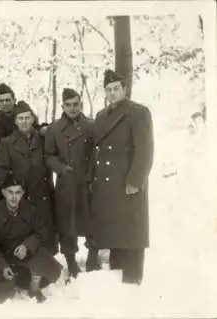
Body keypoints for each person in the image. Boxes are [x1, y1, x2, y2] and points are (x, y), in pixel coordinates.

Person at [88, 69, 154, 284]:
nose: (112, 93)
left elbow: (144, 150)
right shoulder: (101, 116)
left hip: (127, 182)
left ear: (125, 89)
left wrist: (135, 180)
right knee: (115, 231)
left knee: (132, 232)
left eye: (116, 88)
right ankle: (118, 280)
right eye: (108, 90)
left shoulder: (138, 113)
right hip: (107, 185)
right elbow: (96, 149)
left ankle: (133, 280)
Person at [44, 88, 99, 279]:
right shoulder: (54, 129)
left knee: (92, 219)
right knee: (68, 224)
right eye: (68, 105)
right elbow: (48, 156)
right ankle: (71, 262)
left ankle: (93, 256)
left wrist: (91, 172)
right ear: (62, 106)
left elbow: (96, 152)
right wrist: (61, 168)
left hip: (87, 181)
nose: (73, 108)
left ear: (81, 104)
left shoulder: (92, 126)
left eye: (76, 104)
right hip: (66, 184)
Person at [0, 174, 62, 303]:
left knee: (50, 266)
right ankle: (17, 277)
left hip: (26, 254)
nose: (14, 197)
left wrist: (27, 246)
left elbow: (41, 233)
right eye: (10, 192)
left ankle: (33, 284)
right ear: (3, 192)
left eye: (18, 192)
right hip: (5, 256)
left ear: (23, 193)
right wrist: (3, 266)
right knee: (2, 292)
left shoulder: (31, 209)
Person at [0, 100, 58, 255]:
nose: (24, 122)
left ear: (33, 119)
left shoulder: (43, 138)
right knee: (24, 232)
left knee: (45, 229)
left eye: (27, 117)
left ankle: (47, 263)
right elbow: (1, 170)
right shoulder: (7, 143)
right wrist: (11, 193)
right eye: (20, 118)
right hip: (21, 196)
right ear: (15, 121)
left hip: (42, 193)